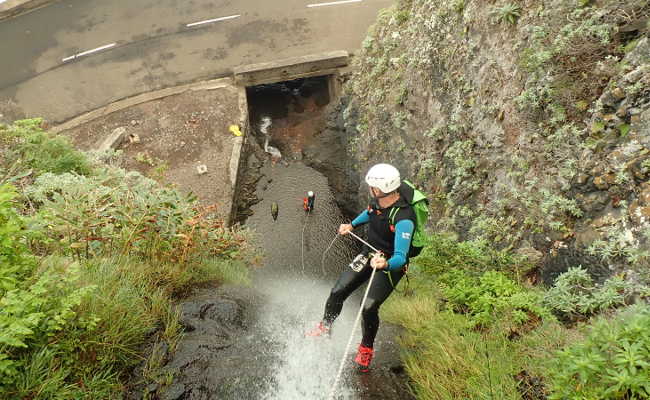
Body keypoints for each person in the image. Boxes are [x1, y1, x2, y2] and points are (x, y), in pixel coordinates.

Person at [306, 163, 416, 372]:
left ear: (381, 188)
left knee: (368, 307)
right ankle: (325, 327)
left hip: (389, 264)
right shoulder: (378, 200)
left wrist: (385, 263)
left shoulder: (404, 219)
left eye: (372, 186)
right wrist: (352, 225)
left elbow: (401, 257)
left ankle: (366, 349)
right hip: (368, 253)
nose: (369, 189)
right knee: (338, 291)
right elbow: (369, 213)